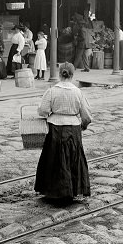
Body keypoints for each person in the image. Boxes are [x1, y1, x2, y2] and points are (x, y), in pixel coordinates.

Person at [34, 62, 92, 204]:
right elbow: (86, 116)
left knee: (54, 158)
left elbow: (43, 110)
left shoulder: (52, 91)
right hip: (73, 129)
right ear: (72, 75)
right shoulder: (78, 92)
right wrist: (83, 125)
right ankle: (72, 190)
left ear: (60, 74)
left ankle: (53, 191)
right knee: (73, 159)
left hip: (55, 128)